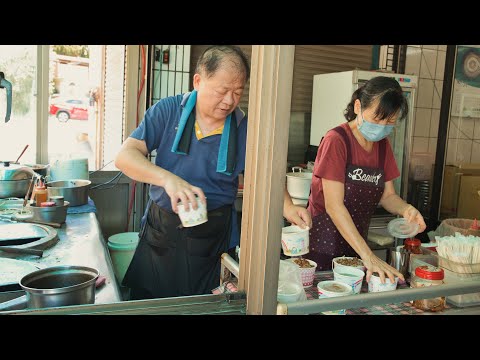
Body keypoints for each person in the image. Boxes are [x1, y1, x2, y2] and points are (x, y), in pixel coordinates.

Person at [115, 45, 311, 300]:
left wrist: (288, 206)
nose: (229, 100)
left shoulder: (244, 129)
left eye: (237, 92)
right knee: (151, 302)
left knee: (206, 304)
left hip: (212, 238)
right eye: (222, 91)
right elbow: (124, 156)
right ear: (198, 81)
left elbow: (267, 175)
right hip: (161, 232)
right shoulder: (168, 110)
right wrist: (168, 180)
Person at [306, 76, 426, 284]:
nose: (382, 127)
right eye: (377, 118)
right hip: (322, 248)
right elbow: (334, 206)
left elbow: (388, 196)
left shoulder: (382, 146)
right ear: (358, 106)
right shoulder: (337, 140)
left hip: (356, 247)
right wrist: (368, 255)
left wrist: (406, 209)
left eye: (389, 121)